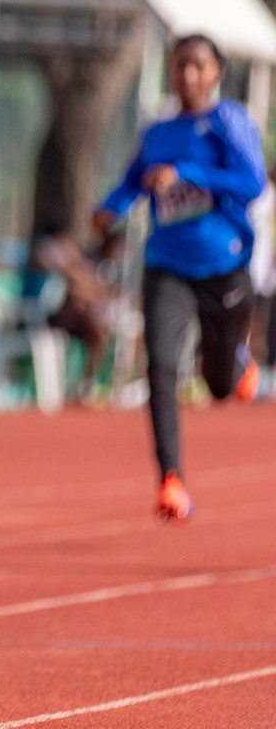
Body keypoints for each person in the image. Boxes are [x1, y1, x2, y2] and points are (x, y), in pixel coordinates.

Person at [94, 33, 266, 522]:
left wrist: (188, 173)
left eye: (198, 66)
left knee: (216, 386)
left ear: (216, 73)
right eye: (180, 65)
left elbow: (252, 183)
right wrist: (110, 208)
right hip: (166, 262)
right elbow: (133, 180)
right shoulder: (157, 132)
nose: (188, 75)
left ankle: (236, 363)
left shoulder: (227, 122)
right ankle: (171, 480)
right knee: (163, 368)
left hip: (224, 263)